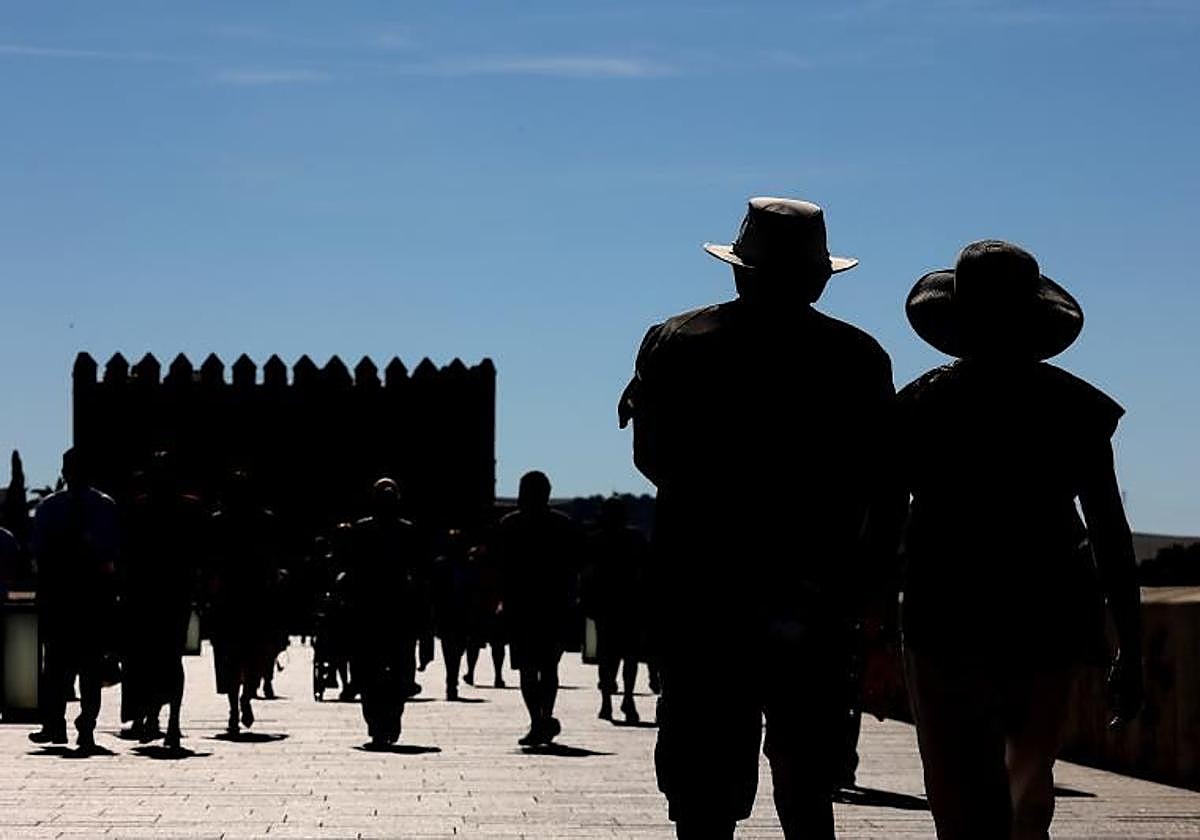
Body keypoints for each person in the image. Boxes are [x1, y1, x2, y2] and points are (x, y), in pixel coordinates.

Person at [620, 198, 903, 839]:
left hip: (704, 592)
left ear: (739, 270)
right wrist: (870, 592)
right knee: (809, 784)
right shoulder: (858, 357)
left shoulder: (675, 341)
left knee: (703, 790)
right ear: (819, 278)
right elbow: (888, 488)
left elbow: (651, 458)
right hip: (818, 596)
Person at [897, 240, 1144, 840]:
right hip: (1047, 612)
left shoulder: (922, 405)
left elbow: (882, 521)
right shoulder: (1075, 409)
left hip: (944, 611)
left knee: (956, 786)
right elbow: (1109, 531)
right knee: (1027, 785)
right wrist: (1130, 647)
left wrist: (870, 623)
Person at [28, 448, 120, 752]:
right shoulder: (104, 506)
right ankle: (85, 726)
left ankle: (56, 724)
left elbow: (37, 556)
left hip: (60, 597)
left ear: (64, 472)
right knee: (89, 667)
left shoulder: (49, 508)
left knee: (56, 666)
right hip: (91, 598)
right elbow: (112, 556)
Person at [120, 453, 204, 750]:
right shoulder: (188, 508)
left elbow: (128, 554)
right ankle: (170, 721)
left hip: (148, 594)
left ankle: (157, 716)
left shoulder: (140, 508)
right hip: (173, 592)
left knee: (149, 657)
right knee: (170, 657)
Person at [495, 471, 582, 746]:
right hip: (550, 605)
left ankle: (538, 719)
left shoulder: (510, 524)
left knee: (529, 669)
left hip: (524, 605)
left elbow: (503, 568)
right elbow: (573, 568)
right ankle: (543, 716)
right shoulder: (562, 525)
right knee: (547, 667)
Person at [344, 478, 429, 748]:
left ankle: (389, 716)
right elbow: (350, 566)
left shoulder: (406, 531)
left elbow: (418, 571)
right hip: (371, 606)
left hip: (395, 607)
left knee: (399, 666)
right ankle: (377, 719)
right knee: (369, 667)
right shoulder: (363, 530)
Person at [206, 470, 281, 736]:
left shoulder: (220, 521)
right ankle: (244, 699)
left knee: (231, 655)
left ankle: (237, 704)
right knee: (252, 653)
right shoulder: (263, 520)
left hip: (232, 596)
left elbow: (211, 560)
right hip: (252, 595)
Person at [582, 496, 650, 724]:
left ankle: (609, 700)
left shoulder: (596, 540)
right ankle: (626, 698)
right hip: (628, 604)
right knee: (628, 656)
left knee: (608, 655)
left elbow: (587, 575)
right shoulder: (636, 539)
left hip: (609, 605)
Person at [431, 528, 484, 701]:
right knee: (453, 648)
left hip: (457, 612)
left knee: (455, 648)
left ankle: (451, 678)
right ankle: (451, 680)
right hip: (452, 612)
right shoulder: (444, 565)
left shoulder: (467, 565)